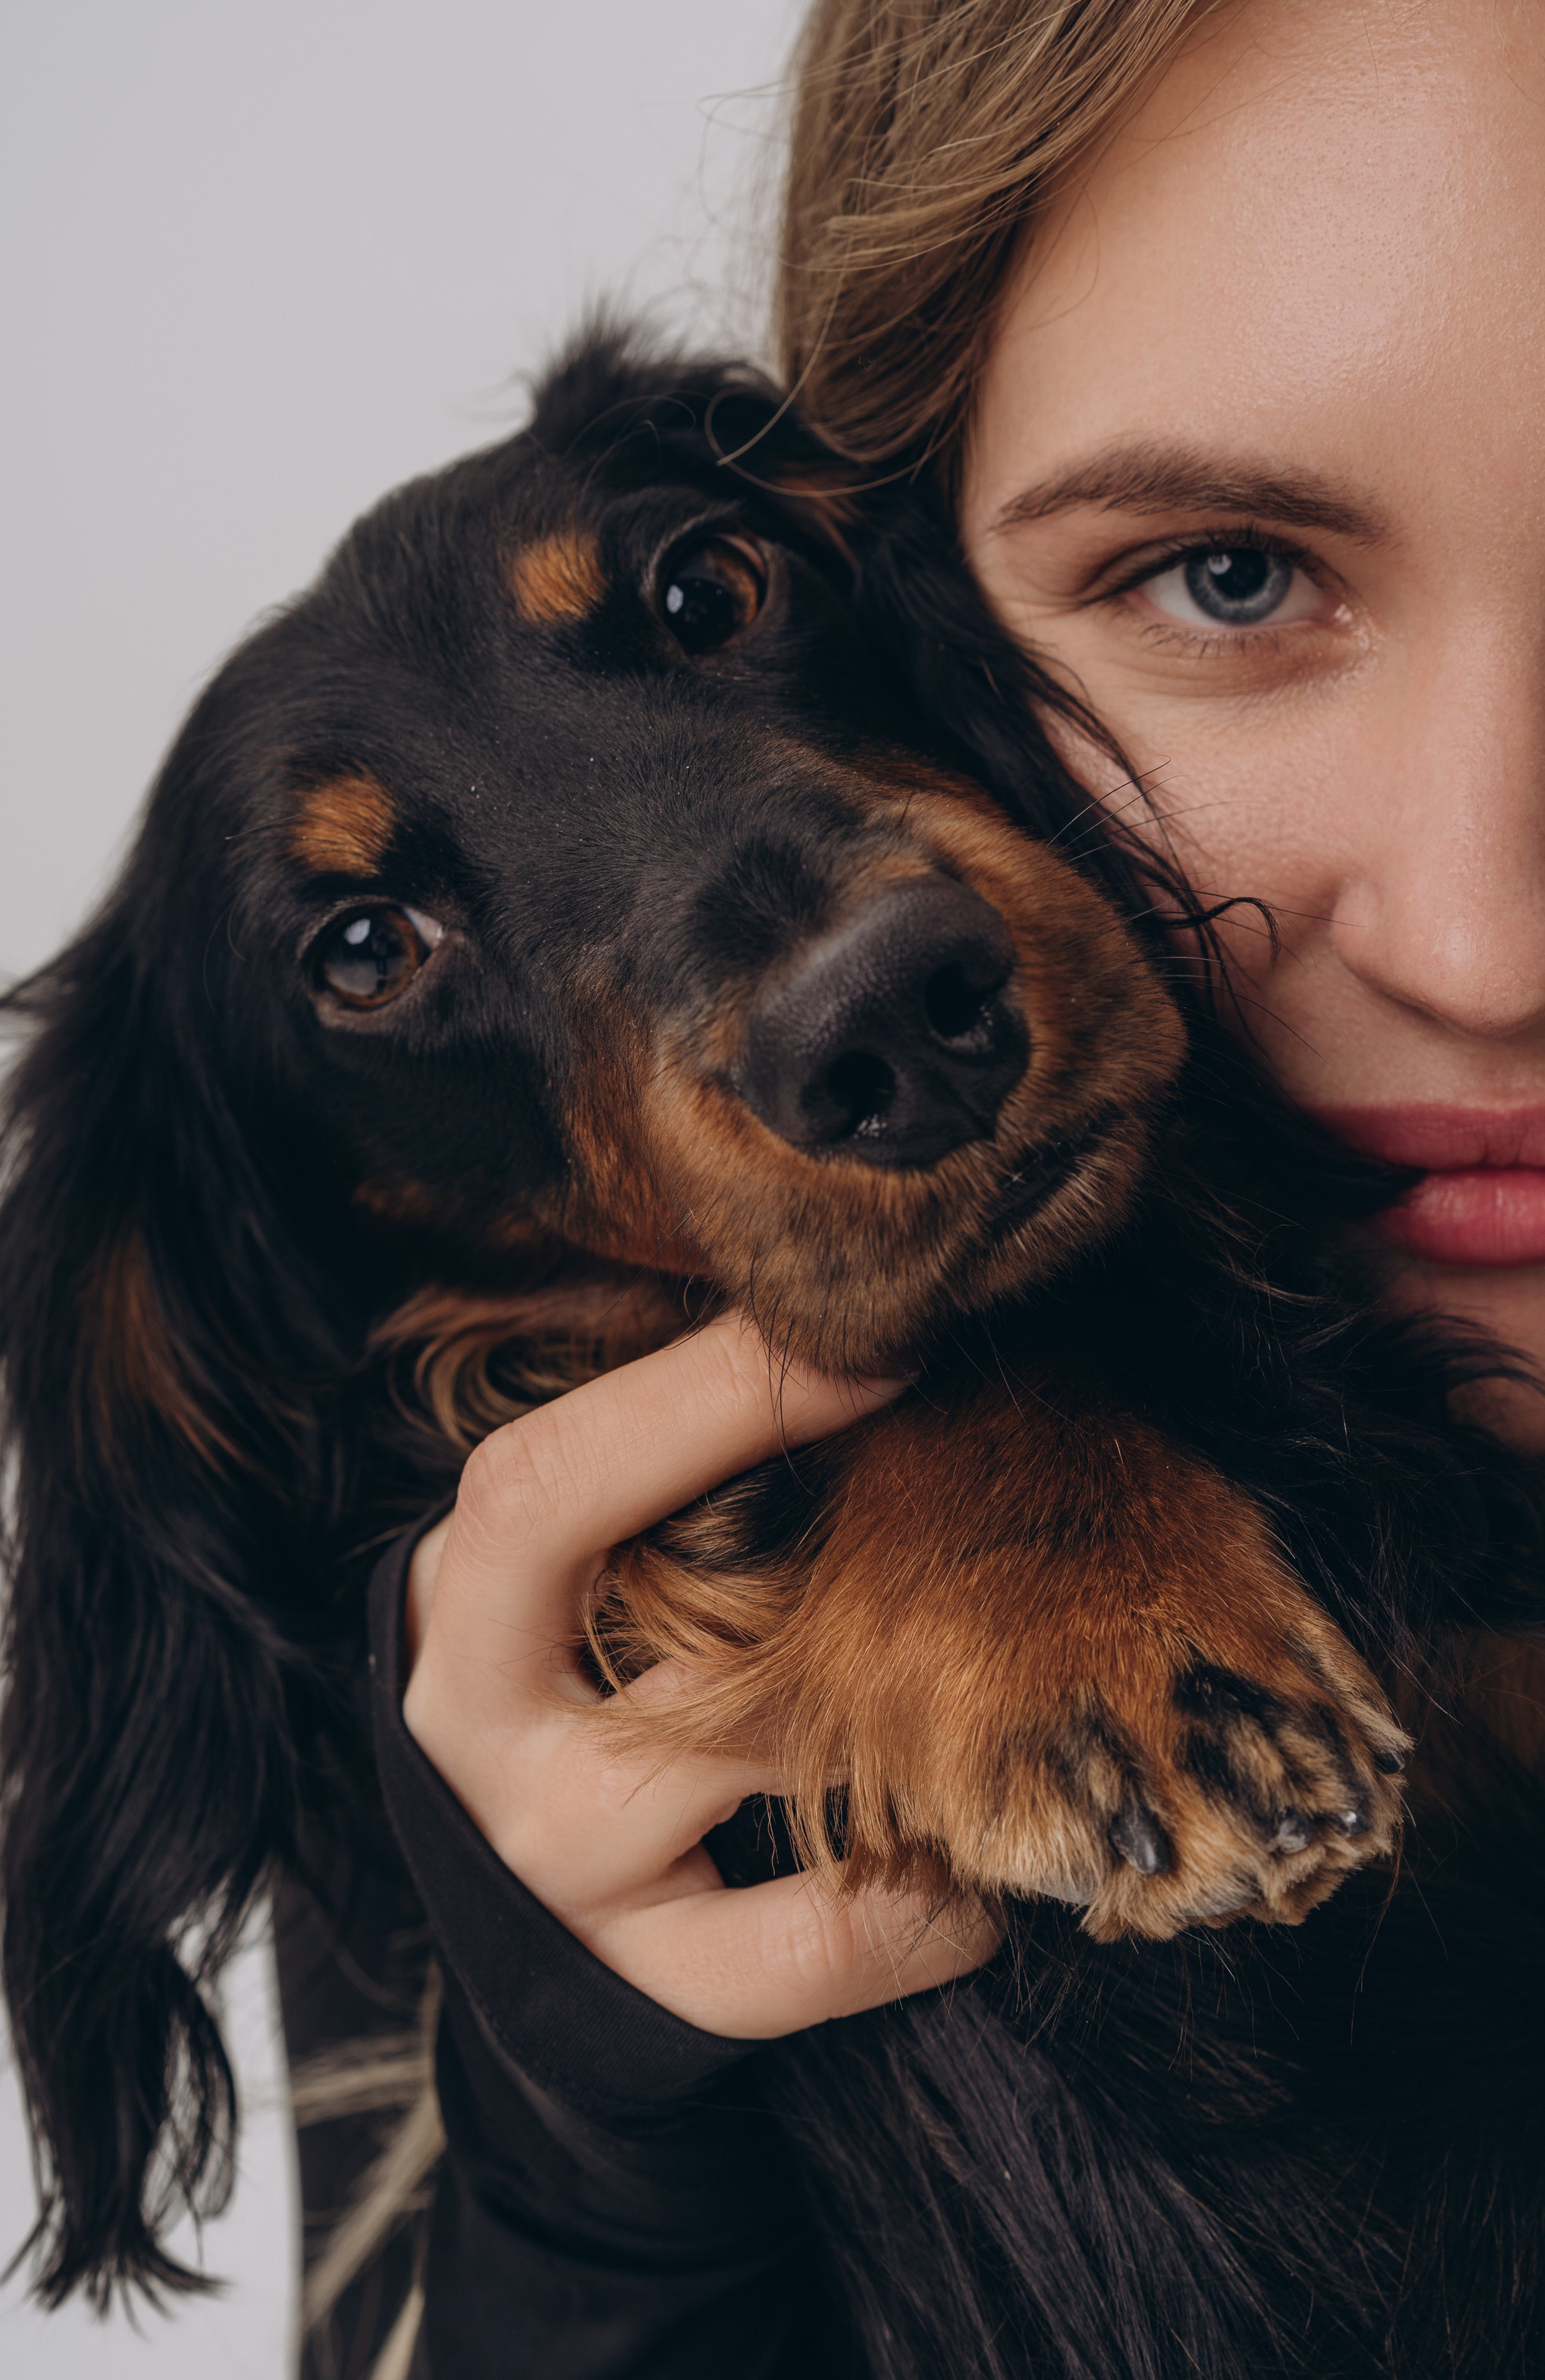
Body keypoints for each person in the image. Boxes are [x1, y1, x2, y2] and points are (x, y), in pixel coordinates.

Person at [376, 0, 1545, 2373]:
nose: (1486, 940)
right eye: (1225, 576)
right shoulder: (626, 1747)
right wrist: (595, 2257)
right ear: (915, 638)